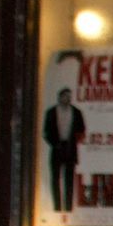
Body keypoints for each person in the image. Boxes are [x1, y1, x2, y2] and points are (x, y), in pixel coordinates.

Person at [43, 85, 85, 214]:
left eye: (69, 97)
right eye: (65, 96)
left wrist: (74, 141)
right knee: (55, 178)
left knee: (69, 179)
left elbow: (81, 130)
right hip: (57, 147)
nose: (68, 99)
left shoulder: (76, 112)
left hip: (70, 148)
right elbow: (46, 132)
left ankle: (68, 208)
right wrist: (55, 143)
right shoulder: (51, 112)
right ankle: (57, 207)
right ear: (60, 97)